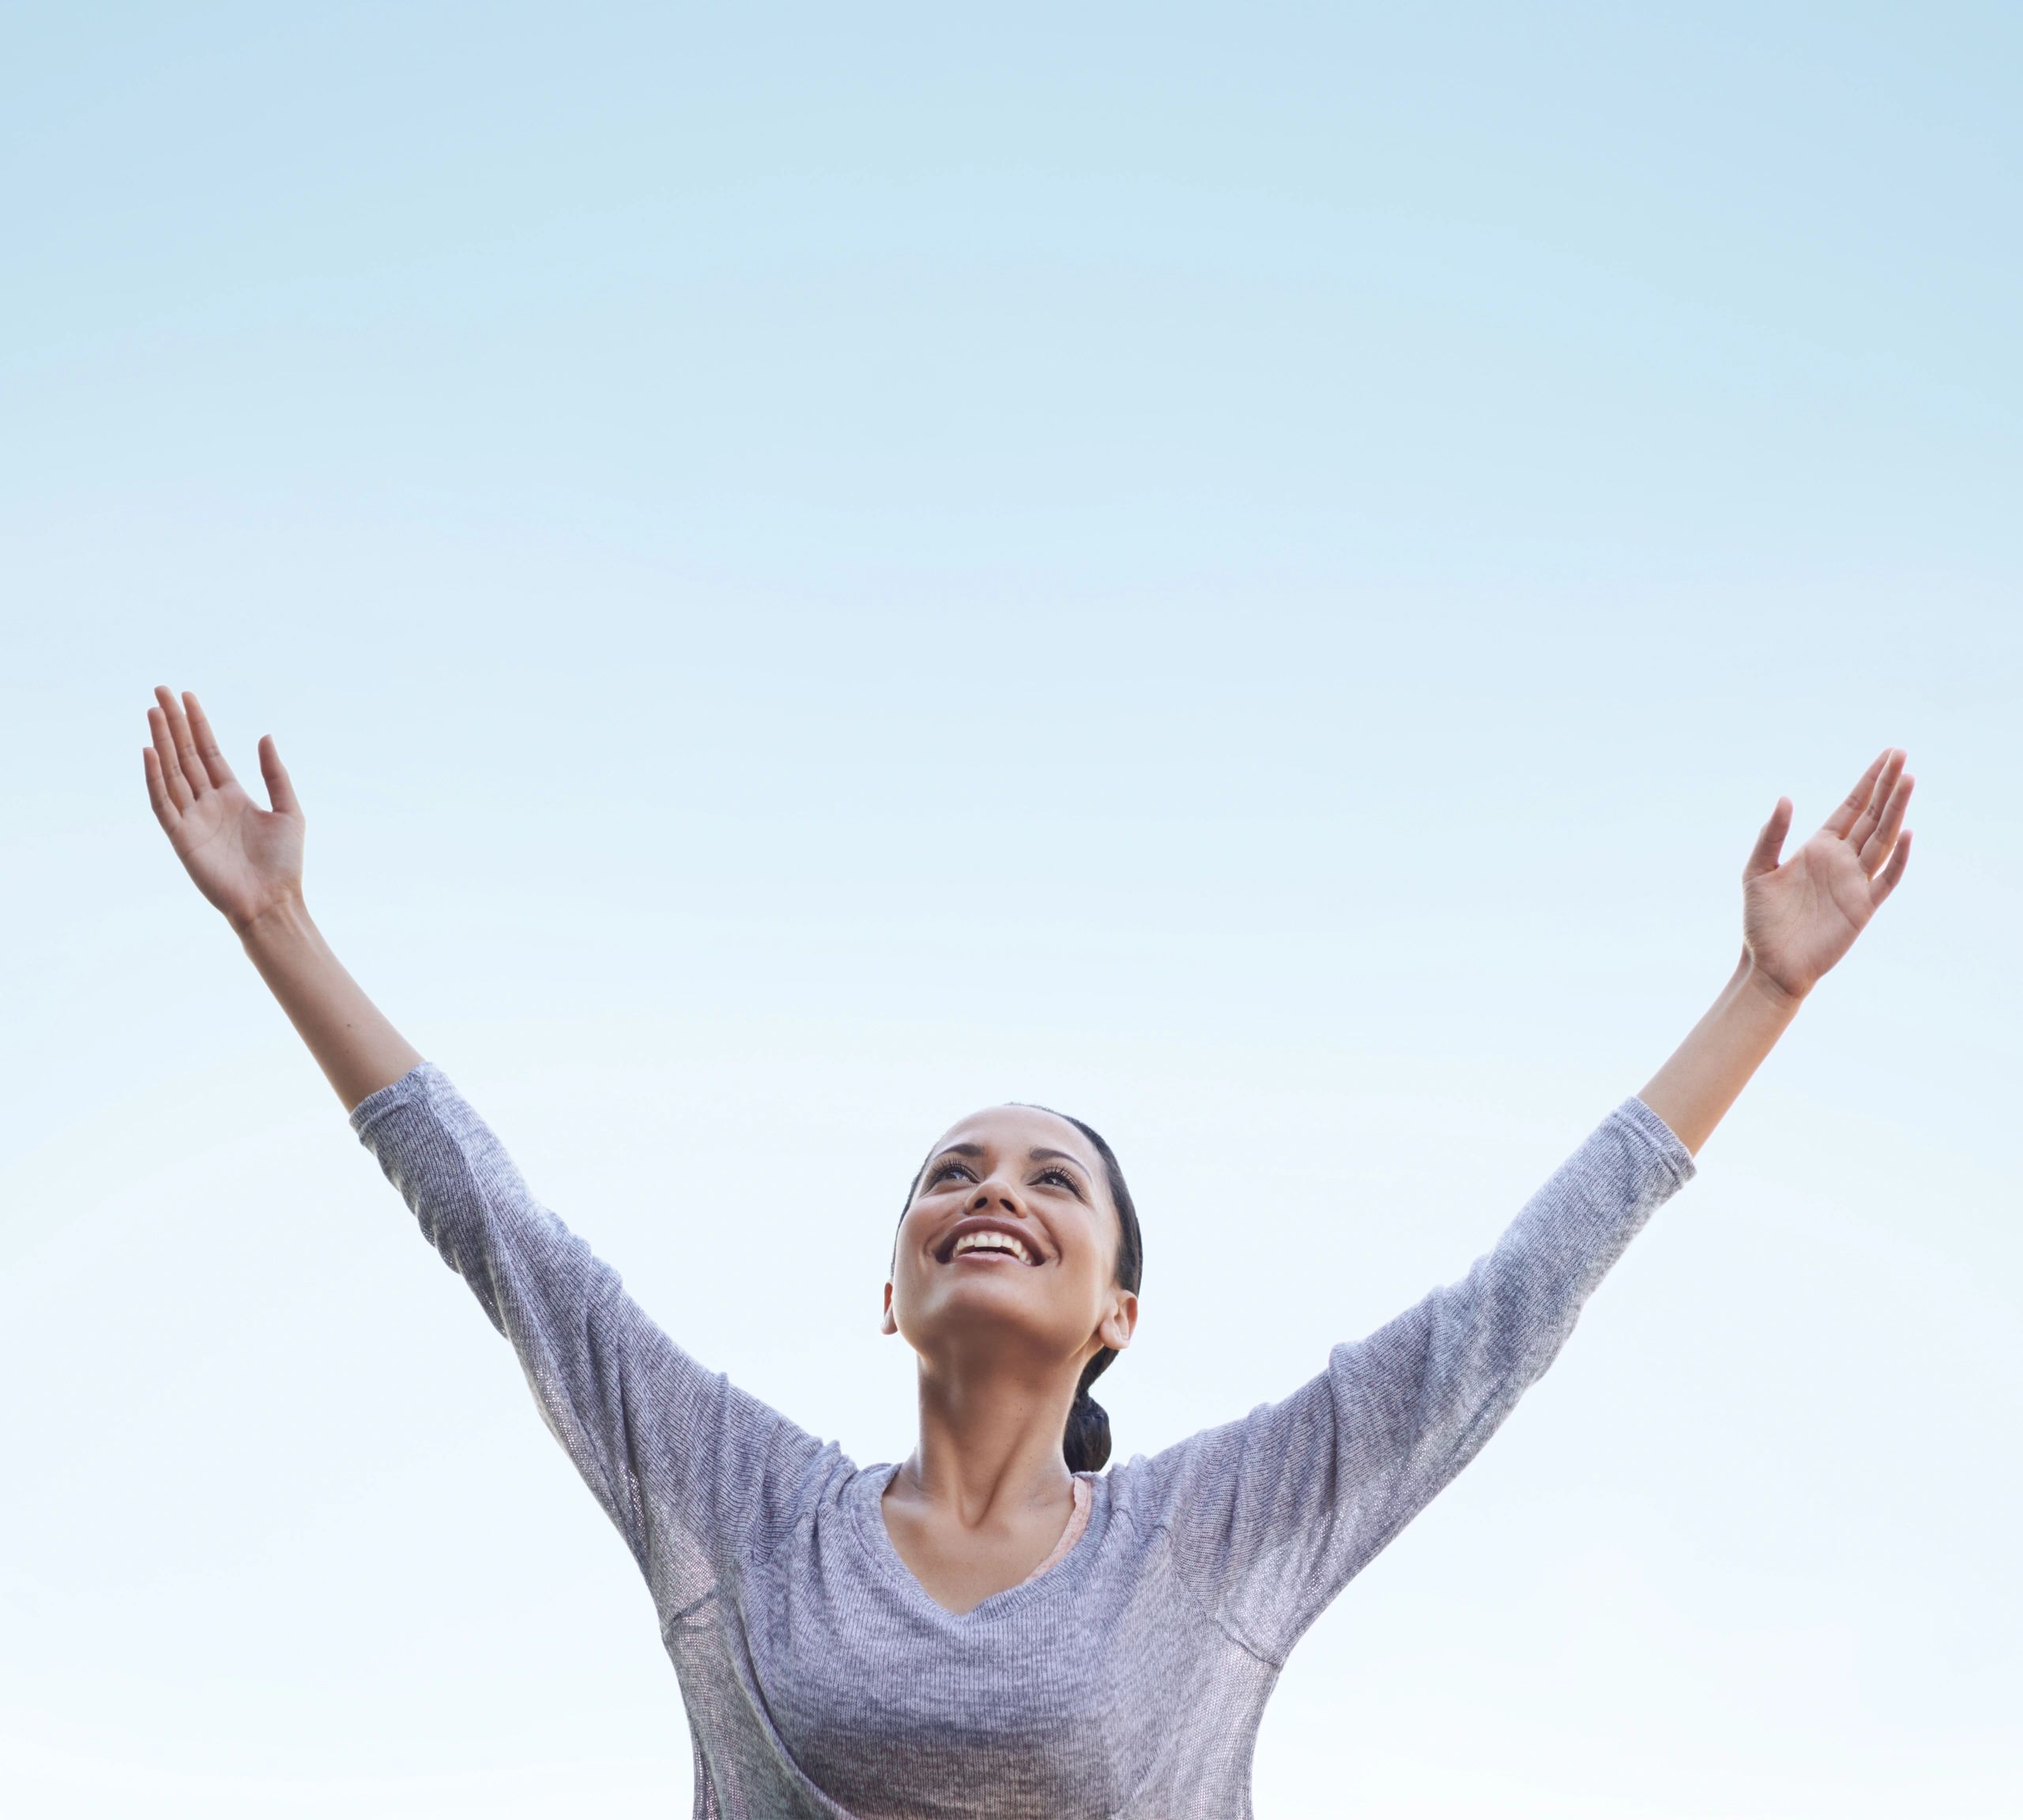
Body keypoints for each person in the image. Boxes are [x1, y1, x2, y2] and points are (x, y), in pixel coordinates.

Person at [141, 684, 1914, 1819]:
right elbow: (502, 1237)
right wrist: (281, 926)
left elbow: (1505, 1311)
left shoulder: (1215, 1527)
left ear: (1117, 1307)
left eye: (1051, 1176)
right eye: (949, 1171)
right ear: (893, 1281)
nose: (992, 1186)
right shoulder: (746, 1501)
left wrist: (1760, 989)